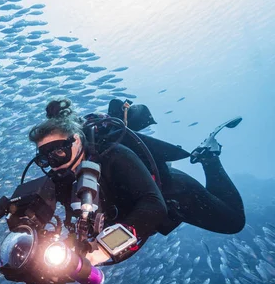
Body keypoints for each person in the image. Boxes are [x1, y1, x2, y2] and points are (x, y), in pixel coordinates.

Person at [30, 99, 245, 266]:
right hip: (136, 212)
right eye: (45, 158)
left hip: (173, 194)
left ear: (76, 141)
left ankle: (209, 157)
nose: (53, 163)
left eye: (59, 151)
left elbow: (153, 206)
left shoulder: (114, 155)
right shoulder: (62, 179)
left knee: (233, 222)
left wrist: (104, 249)